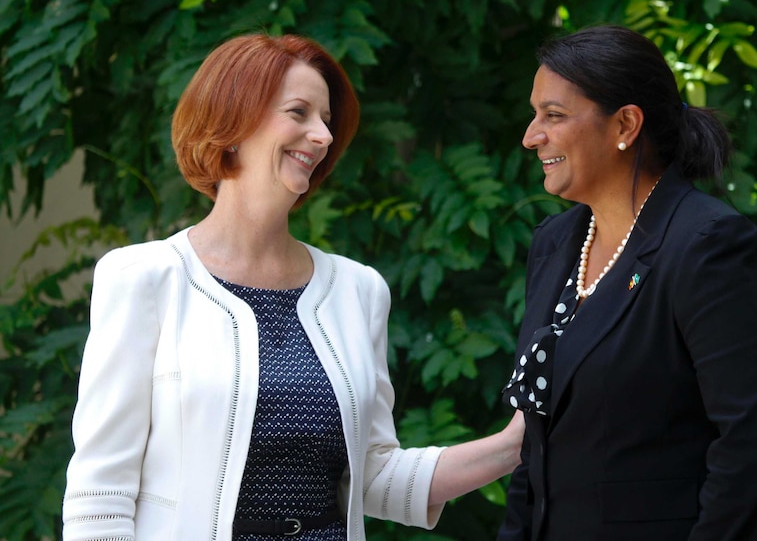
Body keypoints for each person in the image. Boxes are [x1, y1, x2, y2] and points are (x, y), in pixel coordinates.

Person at [61, 33, 524, 541]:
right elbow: (99, 500)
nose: (322, 135)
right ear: (231, 122)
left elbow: (372, 476)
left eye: (325, 120)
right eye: (299, 112)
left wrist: (517, 443)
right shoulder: (144, 279)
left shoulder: (359, 291)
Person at [497, 25, 757, 540]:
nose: (531, 135)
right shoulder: (554, 243)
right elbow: (537, 451)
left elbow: (753, 451)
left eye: (554, 115)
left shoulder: (708, 244)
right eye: (535, 114)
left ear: (626, 124)